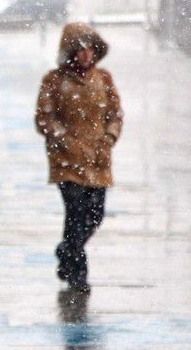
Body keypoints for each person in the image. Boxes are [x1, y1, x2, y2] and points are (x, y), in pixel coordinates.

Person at [35, 22, 123, 292]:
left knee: (94, 215)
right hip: (67, 162)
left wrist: (108, 139)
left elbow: (115, 115)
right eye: (81, 49)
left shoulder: (104, 79)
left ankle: (67, 251)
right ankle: (78, 272)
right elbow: (44, 118)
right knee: (75, 213)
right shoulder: (54, 81)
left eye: (90, 49)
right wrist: (65, 140)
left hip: (98, 160)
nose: (87, 55)